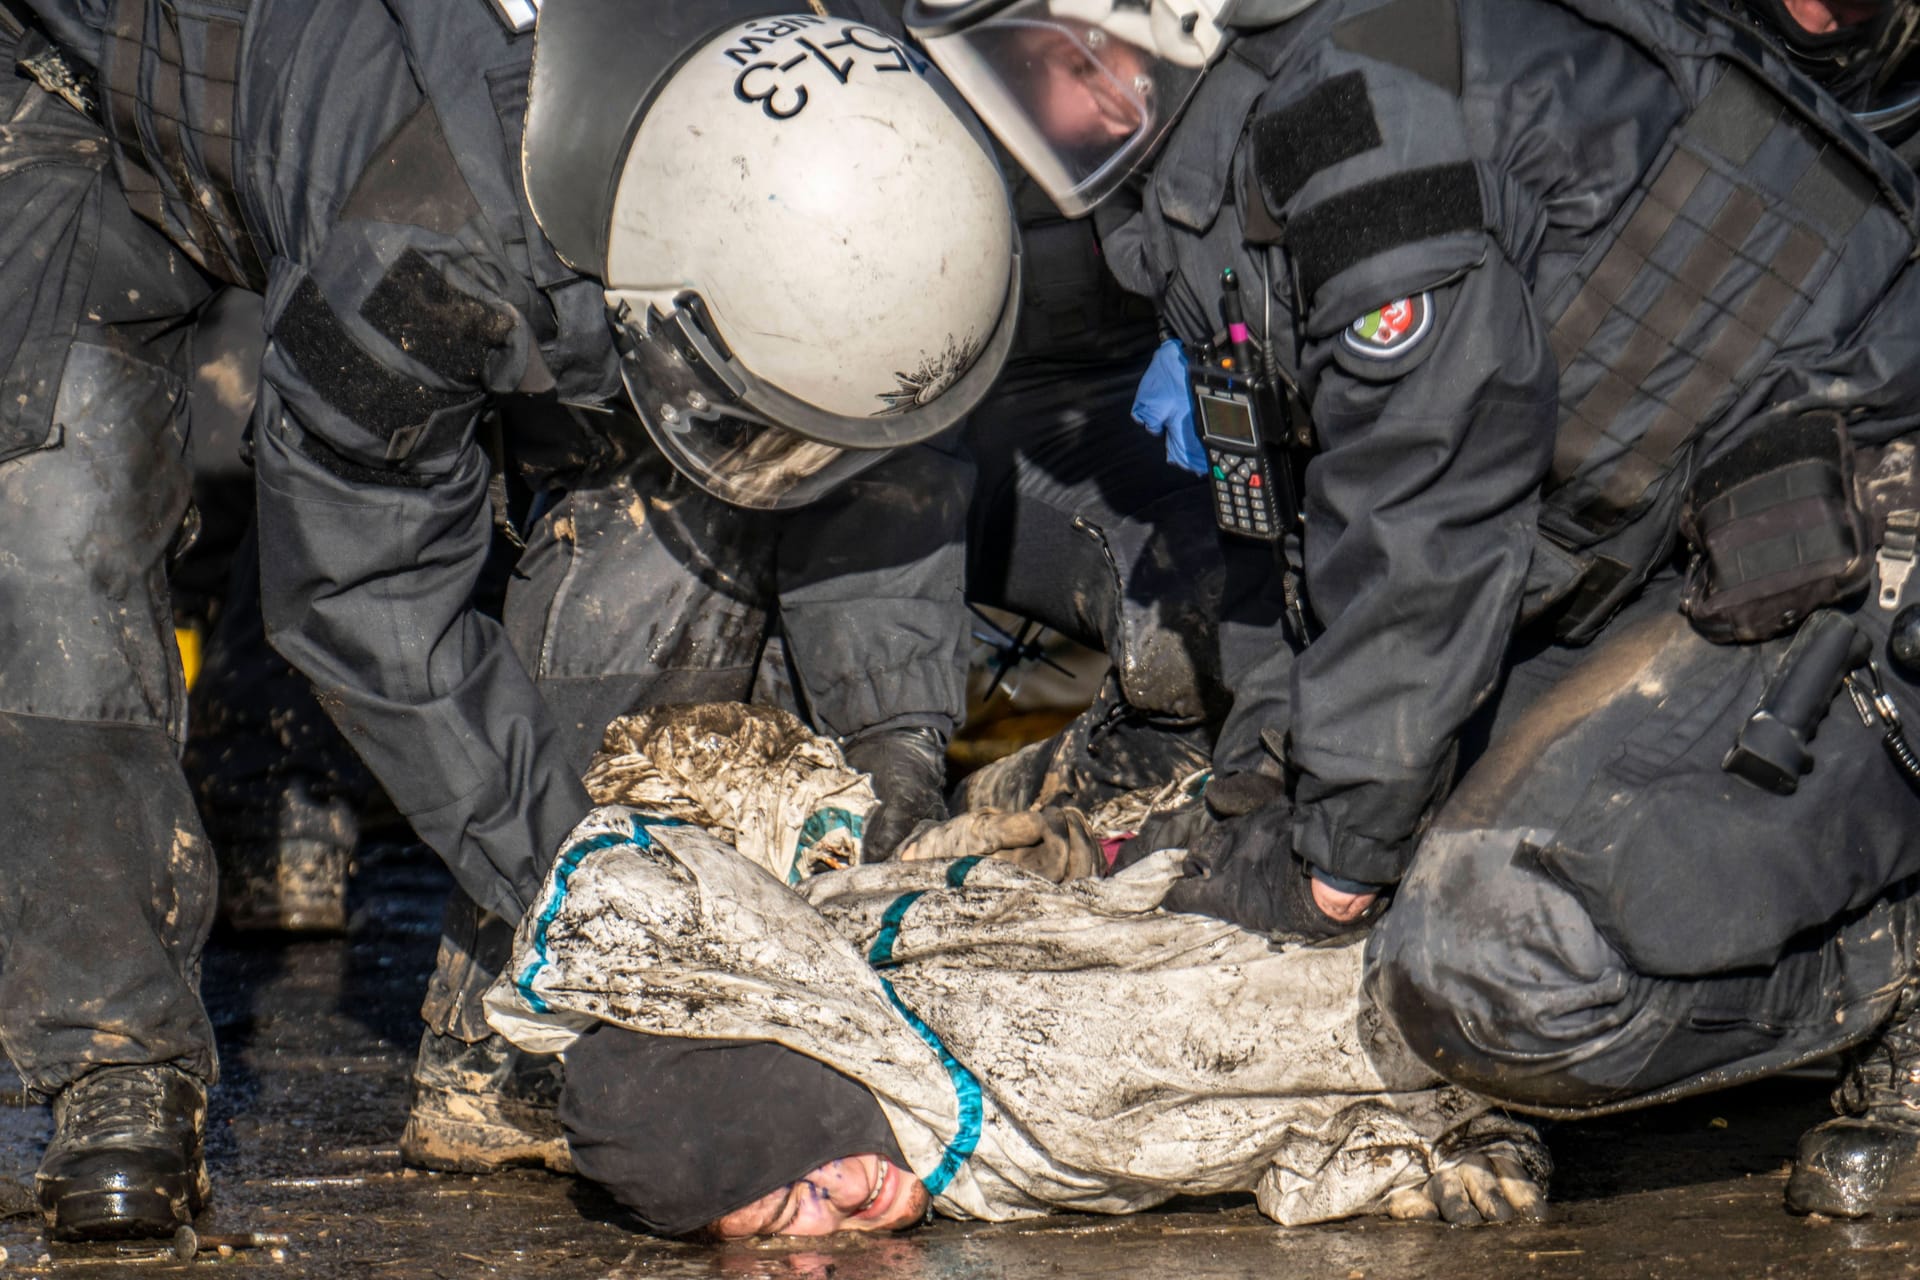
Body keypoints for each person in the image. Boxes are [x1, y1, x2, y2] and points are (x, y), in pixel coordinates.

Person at [2, 0, 1020, 1239]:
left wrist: (893, 748)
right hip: (99, 87)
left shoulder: (853, 109)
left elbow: (866, 442)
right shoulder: (431, 235)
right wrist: (593, 893)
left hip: (455, 162)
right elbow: (368, 589)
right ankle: (113, 1063)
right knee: (49, 521)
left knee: (684, 498)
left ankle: (509, 1025)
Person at [901, 0, 1920, 1218]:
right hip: (1655, 550)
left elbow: (1430, 502)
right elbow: (1291, 528)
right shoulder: (1211, 167)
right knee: (1364, 837)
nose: (1034, 121)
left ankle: (1894, 966)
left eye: (1050, 68)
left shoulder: (1363, 114)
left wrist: (1336, 855)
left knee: (1489, 963)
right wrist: (1262, 792)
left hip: (1850, 521)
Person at [484, 702, 1549, 1239]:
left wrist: (1452, 1108)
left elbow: (1308, 1017)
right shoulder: (937, 1124)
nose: (842, 1205)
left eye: (801, 1176)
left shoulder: (1029, 1073)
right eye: (779, 1225)